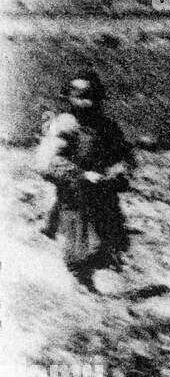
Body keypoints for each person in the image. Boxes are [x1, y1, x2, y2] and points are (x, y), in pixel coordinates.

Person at [36, 69, 134, 292]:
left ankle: (96, 276)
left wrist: (117, 173)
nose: (87, 103)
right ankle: (80, 282)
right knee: (81, 245)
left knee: (109, 241)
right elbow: (47, 162)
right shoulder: (64, 126)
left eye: (92, 96)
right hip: (75, 197)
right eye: (81, 97)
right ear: (69, 98)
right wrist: (80, 175)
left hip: (103, 194)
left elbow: (124, 156)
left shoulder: (108, 128)